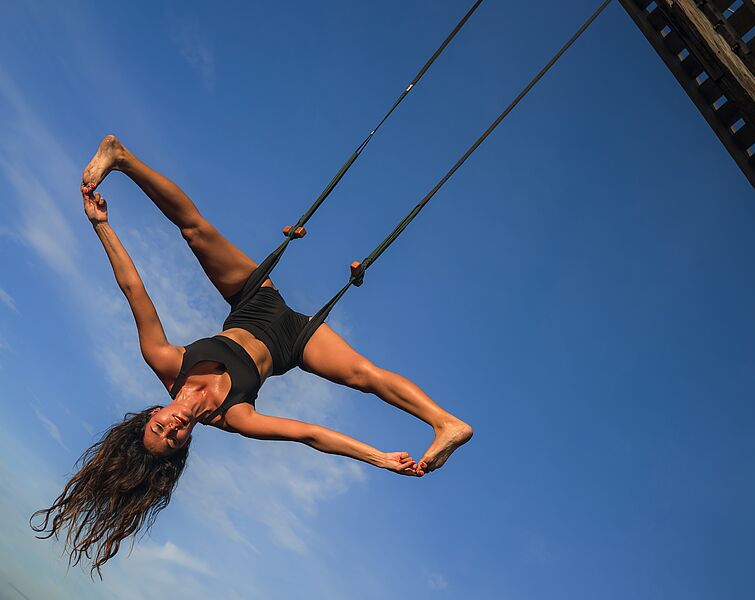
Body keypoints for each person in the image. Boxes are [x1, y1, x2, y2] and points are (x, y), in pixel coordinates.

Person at [32, 135, 472, 574]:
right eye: (173, 441)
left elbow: (133, 289)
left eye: (158, 427)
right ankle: (448, 423)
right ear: (184, 446)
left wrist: (101, 225)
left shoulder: (166, 362)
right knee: (363, 374)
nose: (172, 429)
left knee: (196, 230)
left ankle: (122, 157)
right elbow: (309, 435)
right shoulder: (234, 417)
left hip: (253, 303)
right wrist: (378, 457)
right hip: (292, 342)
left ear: (153, 412)